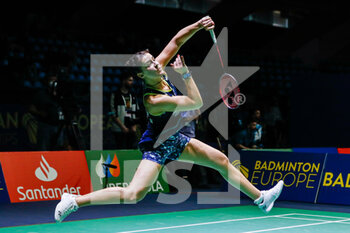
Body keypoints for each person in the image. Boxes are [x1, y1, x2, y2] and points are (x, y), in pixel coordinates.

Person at [54, 16, 283, 223]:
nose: (157, 63)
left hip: (176, 138)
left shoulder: (158, 69)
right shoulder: (152, 100)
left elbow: (176, 41)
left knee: (221, 161)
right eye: (150, 65)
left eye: (154, 59)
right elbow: (196, 103)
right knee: (134, 194)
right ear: (142, 75)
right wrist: (185, 74)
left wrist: (198, 25)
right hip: (159, 145)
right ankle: (75, 200)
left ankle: (261, 198)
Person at [110, 72, 140, 149]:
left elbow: (137, 111)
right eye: (130, 80)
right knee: (120, 151)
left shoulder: (133, 94)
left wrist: (134, 126)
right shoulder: (115, 95)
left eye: (132, 80)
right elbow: (113, 113)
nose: (132, 82)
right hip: (119, 129)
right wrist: (123, 127)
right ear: (124, 81)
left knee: (130, 150)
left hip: (131, 129)